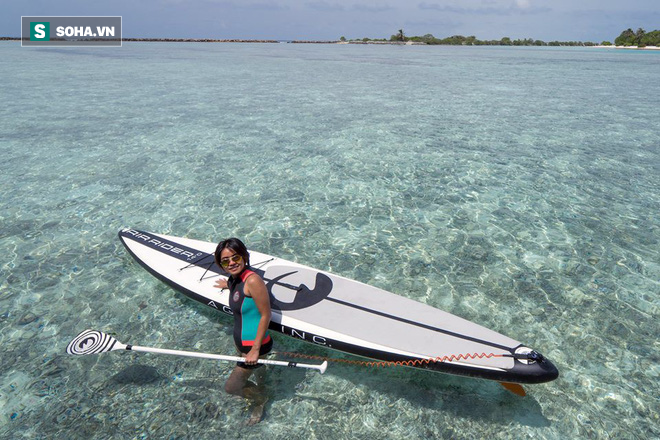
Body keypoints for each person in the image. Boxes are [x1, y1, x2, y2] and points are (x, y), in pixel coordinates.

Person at [213, 237, 272, 425]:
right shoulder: (235, 279)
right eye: (225, 261)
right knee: (258, 371)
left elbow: (265, 315)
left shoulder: (253, 281)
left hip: (255, 346)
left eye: (235, 258)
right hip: (243, 345)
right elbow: (239, 292)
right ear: (220, 264)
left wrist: (255, 349)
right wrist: (227, 285)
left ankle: (260, 398)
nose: (231, 263)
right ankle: (263, 385)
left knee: (231, 387)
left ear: (244, 257)